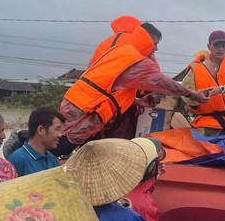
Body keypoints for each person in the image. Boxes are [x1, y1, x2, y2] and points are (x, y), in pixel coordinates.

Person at [60, 16, 208, 145]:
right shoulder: (137, 61)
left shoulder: (120, 50)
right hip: (88, 110)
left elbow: (115, 90)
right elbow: (161, 81)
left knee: (78, 147)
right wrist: (191, 93)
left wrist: (139, 101)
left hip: (79, 102)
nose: (156, 49)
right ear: (146, 39)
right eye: (155, 43)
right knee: (66, 145)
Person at [6, 106, 64, 176]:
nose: (60, 135)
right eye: (57, 129)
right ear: (41, 130)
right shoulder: (17, 160)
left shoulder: (51, 159)